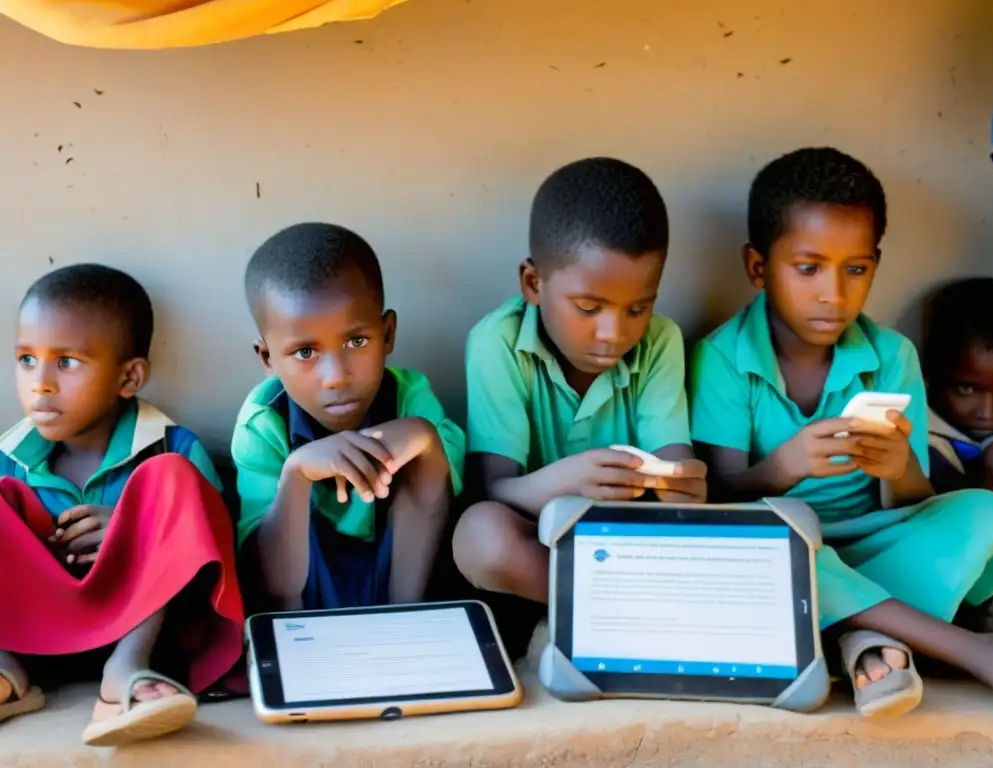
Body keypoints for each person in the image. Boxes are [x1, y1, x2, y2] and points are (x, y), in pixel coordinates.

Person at [689, 147, 993, 719]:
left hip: (875, 547)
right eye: (808, 268)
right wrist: (783, 467)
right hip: (788, 551)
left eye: (856, 269)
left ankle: (858, 634)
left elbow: (915, 505)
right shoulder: (721, 358)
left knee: (989, 515)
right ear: (758, 266)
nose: (834, 294)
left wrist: (900, 470)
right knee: (771, 540)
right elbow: (717, 495)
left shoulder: (891, 356)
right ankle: (974, 650)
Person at [453, 157, 708, 622]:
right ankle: (623, 620)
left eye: (638, 308)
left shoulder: (661, 341)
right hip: (541, 551)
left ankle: (602, 623)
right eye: (589, 307)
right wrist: (560, 484)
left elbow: (675, 462)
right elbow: (491, 491)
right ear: (534, 283)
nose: (613, 332)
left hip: (632, 544)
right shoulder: (498, 342)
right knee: (480, 535)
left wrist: (683, 483)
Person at [0, 264, 243, 746]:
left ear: (129, 376)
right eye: (27, 360)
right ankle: (7, 673)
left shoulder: (171, 448)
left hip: (148, 643)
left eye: (67, 362)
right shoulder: (10, 458)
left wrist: (137, 531)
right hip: (40, 642)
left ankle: (121, 680)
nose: (41, 383)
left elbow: (218, 557)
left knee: (172, 480)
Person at [232, 222, 464, 613]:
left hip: (400, 581)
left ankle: (405, 621)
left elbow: (441, 505)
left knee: (424, 443)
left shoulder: (411, 399)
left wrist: (422, 437)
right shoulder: (262, 424)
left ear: (387, 333)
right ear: (268, 359)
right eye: (306, 352)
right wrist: (297, 473)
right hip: (303, 604)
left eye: (357, 342)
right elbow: (272, 585)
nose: (337, 375)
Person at [923, 277, 993, 623]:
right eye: (966, 389)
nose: (988, 410)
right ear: (931, 378)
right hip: (957, 582)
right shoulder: (924, 440)